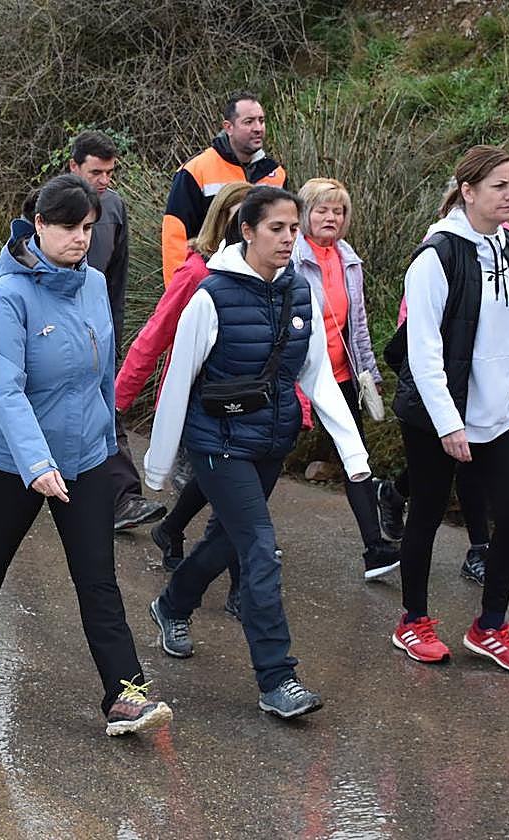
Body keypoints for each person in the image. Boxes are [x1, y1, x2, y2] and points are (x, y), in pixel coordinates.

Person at [0, 175, 173, 737]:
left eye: (89, 229)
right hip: (10, 461)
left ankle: (125, 692)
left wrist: (109, 446)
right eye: (70, 227)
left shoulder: (94, 284)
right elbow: (6, 391)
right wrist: (37, 465)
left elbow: (104, 373)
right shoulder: (10, 297)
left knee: (97, 573)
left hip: (86, 456)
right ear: (40, 226)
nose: (81, 239)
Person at [144, 186, 370, 719]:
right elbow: (179, 380)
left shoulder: (299, 293)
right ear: (247, 231)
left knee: (228, 540)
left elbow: (315, 375)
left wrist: (354, 454)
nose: (290, 239)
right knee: (261, 549)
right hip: (217, 444)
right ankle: (277, 678)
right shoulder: (211, 295)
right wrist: (158, 464)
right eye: (277, 229)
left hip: (269, 441)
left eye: (294, 229)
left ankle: (172, 603)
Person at [390, 145, 509, 674]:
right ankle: (413, 621)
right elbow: (423, 350)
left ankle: (490, 627)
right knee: (427, 516)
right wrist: (449, 421)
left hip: (497, 413)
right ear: (468, 191)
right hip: (437, 413)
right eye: (500, 186)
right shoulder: (437, 257)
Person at [116, 180, 252, 580]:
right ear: (224, 221)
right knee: (226, 496)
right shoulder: (196, 273)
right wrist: (119, 399)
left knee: (225, 493)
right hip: (198, 406)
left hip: (246, 408)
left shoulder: (271, 277)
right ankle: (228, 583)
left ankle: (175, 532)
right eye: (240, 216)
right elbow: (155, 333)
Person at [291, 178, 401, 580]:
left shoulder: (348, 259)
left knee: (356, 458)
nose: (331, 217)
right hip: (296, 378)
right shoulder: (290, 256)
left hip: (340, 376)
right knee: (266, 460)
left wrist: (367, 370)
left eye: (338, 211)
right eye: (322, 209)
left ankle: (374, 548)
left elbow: (357, 325)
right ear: (304, 213)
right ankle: (180, 527)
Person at [68, 129, 166, 532]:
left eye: (109, 172)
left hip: (98, 330)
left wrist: (112, 335)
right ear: (74, 167)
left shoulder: (115, 208)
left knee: (106, 410)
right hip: (53, 332)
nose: (103, 181)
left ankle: (123, 497)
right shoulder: (50, 205)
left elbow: (117, 282)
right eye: (95, 172)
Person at [160, 91, 288, 285]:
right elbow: (175, 238)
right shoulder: (196, 170)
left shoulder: (276, 174)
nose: (258, 128)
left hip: (262, 287)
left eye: (261, 121)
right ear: (228, 127)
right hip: (211, 284)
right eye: (249, 122)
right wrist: (179, 290)